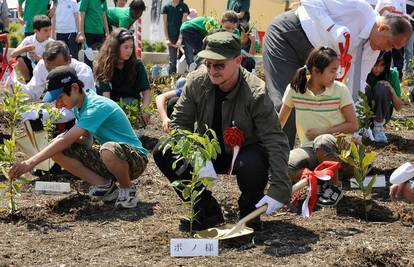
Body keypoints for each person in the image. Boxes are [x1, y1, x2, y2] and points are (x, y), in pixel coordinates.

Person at [153, 32, 291, 231]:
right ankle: (206, 209)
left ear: (238, 61)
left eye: (219, 65)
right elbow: (180, 123)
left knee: (253, 163)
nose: (212, 70)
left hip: (245, 152)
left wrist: (280, 187)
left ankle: (250, 212)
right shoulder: (196, 82)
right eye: (208, 64)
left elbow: (275, 139)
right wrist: (194, 153)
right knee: (164, 150)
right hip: (206, 153)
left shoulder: (256, 92)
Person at [263, 0, 412, 149]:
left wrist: (355, 129)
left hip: (316, 56)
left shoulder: (372, 50)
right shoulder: (358, 8)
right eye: (390, 44)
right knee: (285, 103)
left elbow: (356, 86)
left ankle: (293, 163)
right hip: (289, 36)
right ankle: (274, 163)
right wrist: (331, 26)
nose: (387, 51)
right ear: (383, 28)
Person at [9, 66, 149, 209]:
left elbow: (67, 141)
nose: (57, 105)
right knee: (57, 148)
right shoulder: (79, 107)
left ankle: (128, 190)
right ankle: (105, 186)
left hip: (134, 160)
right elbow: (86, 140)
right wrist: (62, 140)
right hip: (111, 157)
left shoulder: (96, 106)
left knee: (107, 149)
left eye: (60, 97)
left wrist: (30, 163)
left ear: (75, 88)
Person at [278, 47, 358, 206]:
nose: (337, 74)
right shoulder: (294, 89)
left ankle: (334, 186)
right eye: (333, 70)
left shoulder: (340, 90)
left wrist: (323, 131)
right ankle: (317, 179)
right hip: (309, 148)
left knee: (322, 142)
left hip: (339, 147)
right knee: (284, 165)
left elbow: (353, 125)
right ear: (315, 70)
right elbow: (279, 122)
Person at [94, 29, 151, 127]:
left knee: (129, 103)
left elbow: (146, 90)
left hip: (130, 104)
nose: (129, 51)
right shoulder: (104, 65)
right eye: (126, 47)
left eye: (131, 47)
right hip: (109, 104)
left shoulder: (137, 65)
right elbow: (106, 95)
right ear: (115, 47)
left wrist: (145, 110)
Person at [366, 52, 404, 142]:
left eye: (382, 65)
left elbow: (399, 107)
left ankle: (378, 128)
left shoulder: (392, 74)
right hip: (364, 114)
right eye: (375, 64)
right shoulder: (363, 72)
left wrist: (391, 89)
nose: (378, 69)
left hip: (382, 115)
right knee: (364, 87)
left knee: (382, 87)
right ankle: (362, 126)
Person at [12, 15, 53, 83]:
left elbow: (51, 63)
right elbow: (13, 54)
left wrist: (37, 57)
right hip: (30, 68)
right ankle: (28, 82)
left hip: (44, 69)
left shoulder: (51, 43)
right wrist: (25, 49)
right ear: (36, 31)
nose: (49, 32)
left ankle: (45, 84)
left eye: (50, 29)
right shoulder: (29, 40)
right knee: (19, 59)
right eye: (46, 30)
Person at [376, 0, 407, 80]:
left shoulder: (402, 1)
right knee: (381, 55)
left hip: (397, 32)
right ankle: (378, 77)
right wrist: (385, 8)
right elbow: (376, 14)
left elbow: (404, 15)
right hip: (385, 33)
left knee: (398, 56)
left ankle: (398, 78)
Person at [78, 0, 109, 68]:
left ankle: (99, 76)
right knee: (88, 59)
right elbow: (81, 15)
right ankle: (89, 76)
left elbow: (104, 15)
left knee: (101, 58)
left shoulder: (103, 1)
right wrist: (81, 33)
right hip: (88, 33)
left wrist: (107, 32)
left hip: (100, 33)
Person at [161, 0, 189, 74]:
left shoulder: (184, 6)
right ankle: (171, 80)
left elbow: (184, 24)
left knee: (186, 59)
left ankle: (184, 79)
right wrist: (167, 39)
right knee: (172, 61)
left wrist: (180, 39)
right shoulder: (166, 7)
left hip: (183, 36)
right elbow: (165, 24)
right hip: (171, 37)